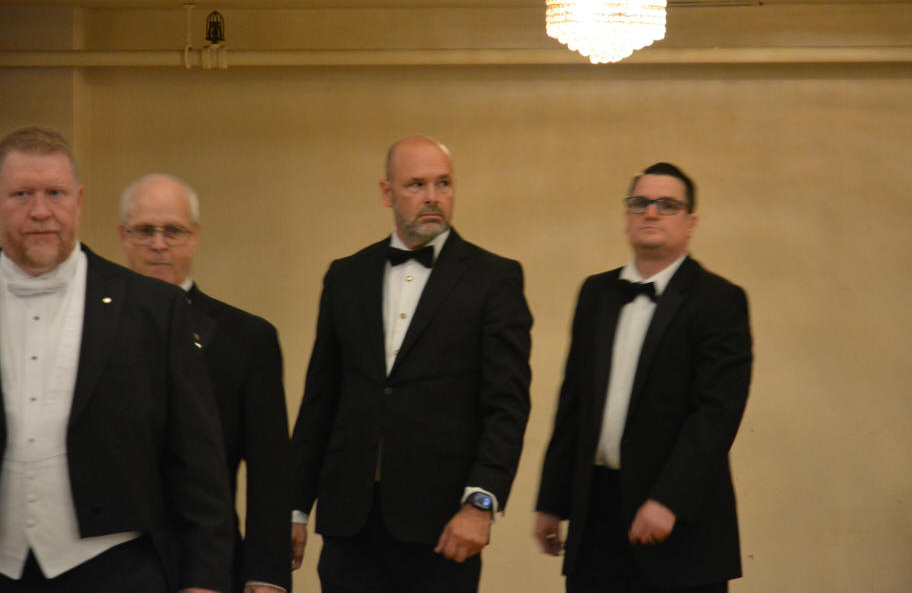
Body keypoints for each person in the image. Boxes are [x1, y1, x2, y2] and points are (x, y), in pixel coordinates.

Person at [290, 135, 532, 592]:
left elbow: (507, 405)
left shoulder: (494, 278)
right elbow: (321, 399)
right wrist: (295, 508)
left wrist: (480, 504)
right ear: (387, 193)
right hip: (350, 523)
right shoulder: (346, 276)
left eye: (444, 184)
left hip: (443, 525)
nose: (433, 197)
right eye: (417, 185)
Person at [0, 126, 232, 593]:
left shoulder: (153, 308)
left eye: (55, 193)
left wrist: (204, 580)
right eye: (21, 194)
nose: (40, 210)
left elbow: (198, 462)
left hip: (117, 568)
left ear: (79, 201)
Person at [534, 162, 752, 593]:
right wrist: (552, 500)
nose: (650, 213)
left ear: (690, 223)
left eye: (667, 205)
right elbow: (573, 403)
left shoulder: (718, 299)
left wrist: (668, 500)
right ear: (627, 216)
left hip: (680, 523)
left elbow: (716, 414)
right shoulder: (595, 293)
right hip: (596, 516)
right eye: (640, 203)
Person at [118, 174, 292, 593]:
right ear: (123, 237)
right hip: (111, 564)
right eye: (145, 231)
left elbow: (270, 472)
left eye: (173, 231)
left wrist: (267, 575)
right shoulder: (91, 329)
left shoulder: (247, 338)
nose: (159, 244)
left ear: (194, 236)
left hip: (208, 561)